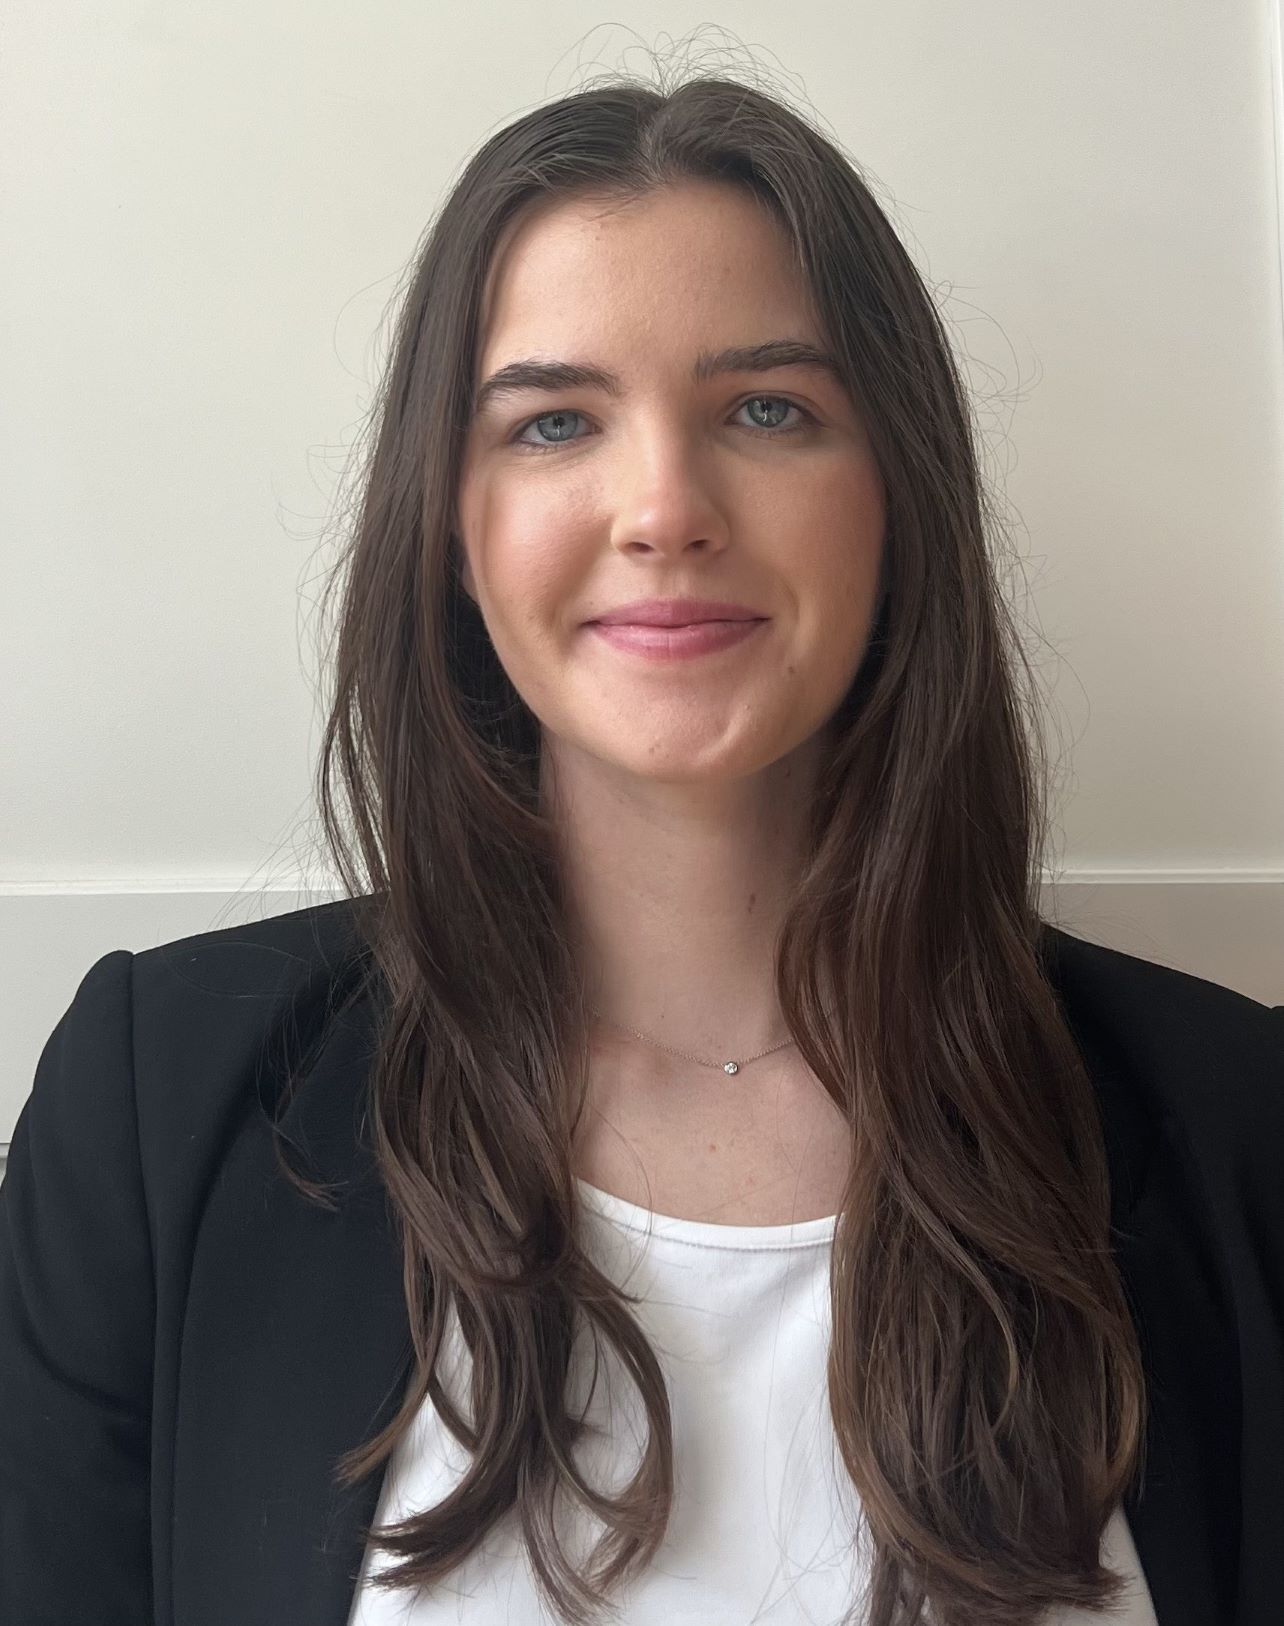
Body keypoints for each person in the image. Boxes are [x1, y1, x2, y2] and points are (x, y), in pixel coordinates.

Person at [1, 71, 1280, 1626]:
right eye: (554, 421)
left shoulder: (1237, 1130)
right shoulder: (155, 1108)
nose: (665, 505)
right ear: (455, 534)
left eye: (766, 409)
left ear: (898, 500)